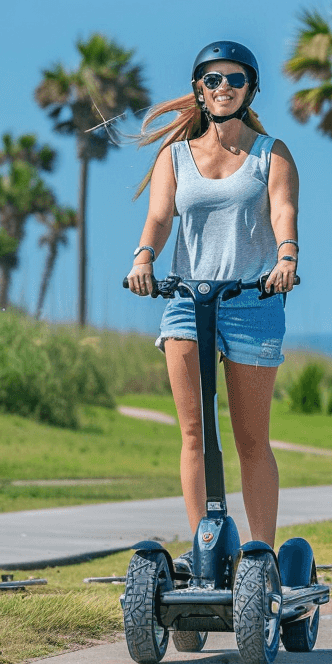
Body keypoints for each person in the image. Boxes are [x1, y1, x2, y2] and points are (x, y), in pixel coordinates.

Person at [124, 40, 299, 550]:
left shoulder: (272, 154)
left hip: (253, 301)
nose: (224, 87)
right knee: (194, 434)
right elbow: (160, 217)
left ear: (251, 90)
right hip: (188, 298)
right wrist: (143, 258)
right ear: (200, 89)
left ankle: (261, 553)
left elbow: (283, 210)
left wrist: (287, 257)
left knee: (251, 439)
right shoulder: (175, 156)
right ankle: (205, 548)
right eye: (214, 79)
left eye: (235, 79)